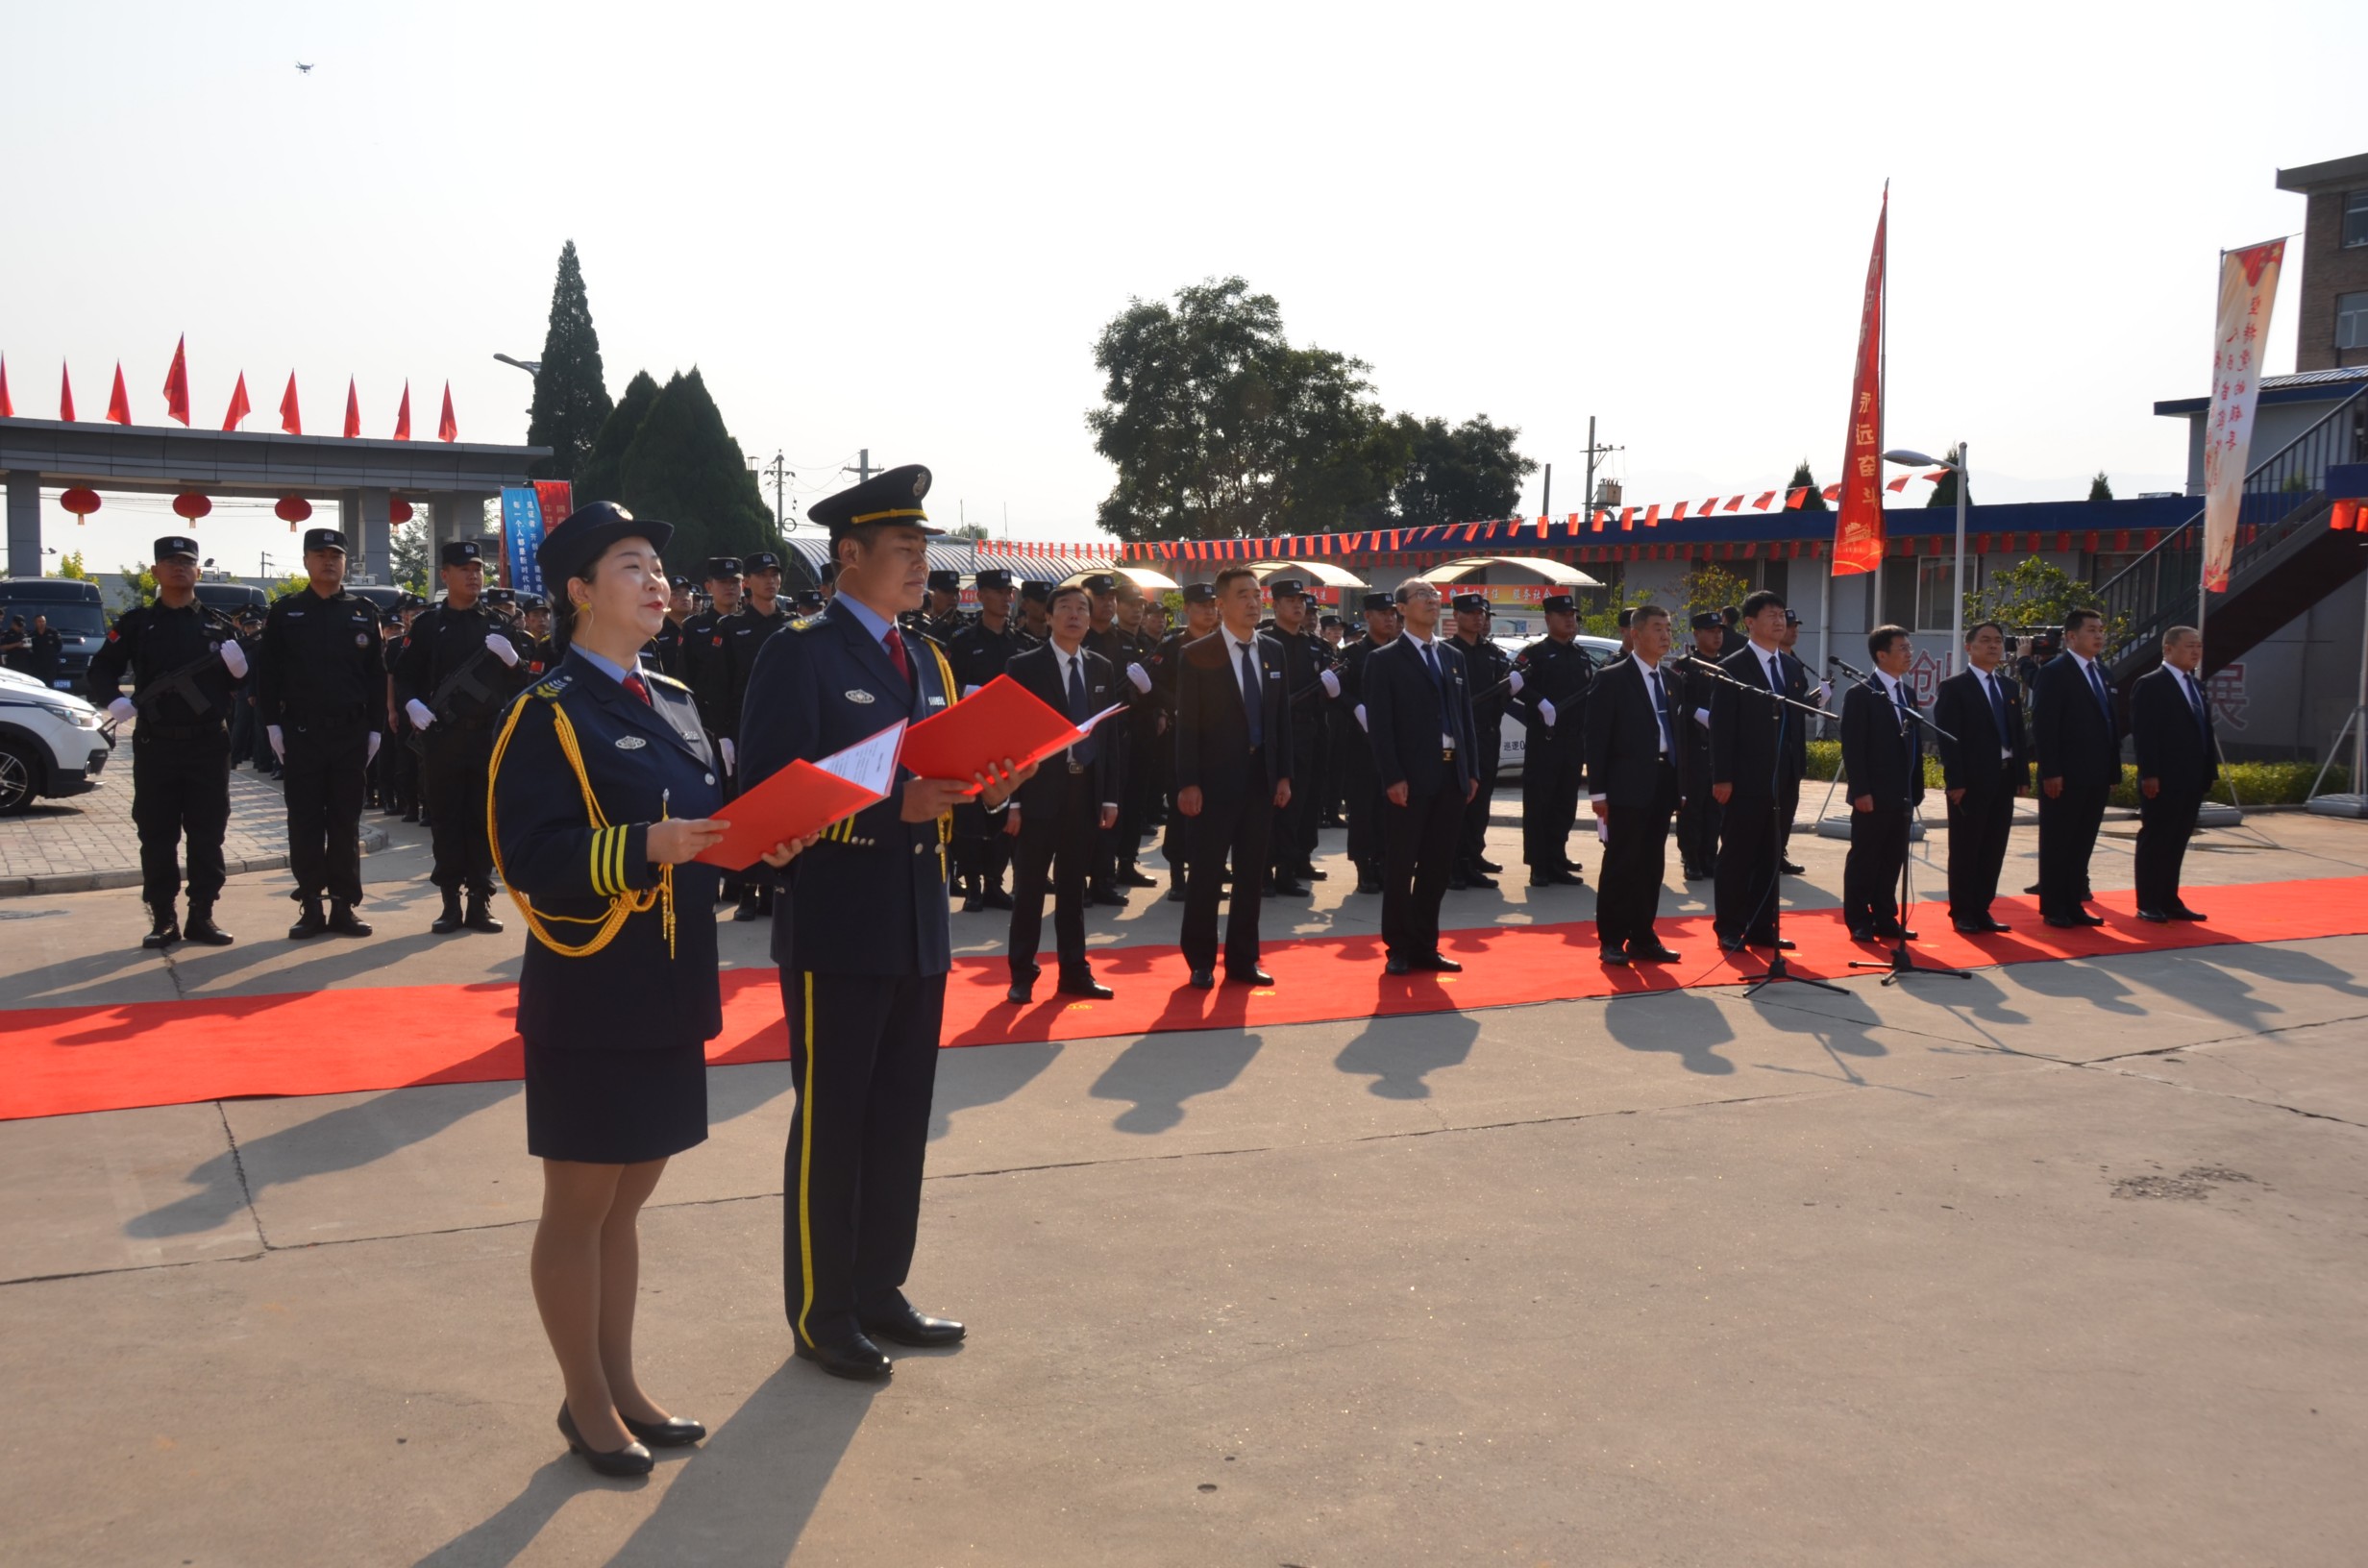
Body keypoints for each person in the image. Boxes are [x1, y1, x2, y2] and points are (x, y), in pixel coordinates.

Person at [489, 500, 807, 1477]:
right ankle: (585, 1403)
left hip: (670, 982)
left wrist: (758, 843)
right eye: (632, 566)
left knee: (625, 1206)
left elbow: (703, 826)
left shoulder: (671, 698)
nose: (657, 581)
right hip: (592, 989)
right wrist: (643, 846)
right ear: (580, 591)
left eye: (658, 569)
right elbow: (527, 857)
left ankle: (619, 1384)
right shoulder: (547, 712)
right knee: (579, 1206)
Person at [738, 463, 1032, 1383]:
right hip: (838, 919)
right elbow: (766, 797)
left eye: (921, 548)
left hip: (916, 920)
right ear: (850, 556)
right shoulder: (801, 653)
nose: (918, 563)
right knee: (834, 1124)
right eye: (903, 548)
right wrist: (887, 808)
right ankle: (822, 1313)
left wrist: (992, 788)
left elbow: (939, 779)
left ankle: (878, 1291)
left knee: (901, 1119)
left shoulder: (928, 659)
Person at [86, 535, 247, 949]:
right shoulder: (137, 624)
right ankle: (163, 917)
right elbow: (100, 669)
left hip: (208, 744)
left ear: (198, 571)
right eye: (171, 561)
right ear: (156, 571)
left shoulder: (218, 624)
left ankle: (202, 914)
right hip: (156, 744)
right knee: (157, 832)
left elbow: (243, 685)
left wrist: (241, 671)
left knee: (208, 832)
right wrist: (114, 701)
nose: (179, 568)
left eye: (187, 562)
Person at [394, 540, 530, 935]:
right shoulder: (428, 626)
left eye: (478, 569)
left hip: (486, 737)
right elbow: (404, 676)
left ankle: (480, 899)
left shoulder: (497, 624)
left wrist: (513, 660)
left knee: (483, 820)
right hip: (443, 738)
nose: (473, 576)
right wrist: (412, 705)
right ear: (445, 575)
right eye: (464, 569)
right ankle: (450, 901)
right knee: (446, 819)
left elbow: (522, 683)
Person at [256, 527, 384, 940]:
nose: (328, 561)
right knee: (305, 821)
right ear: (306, 561)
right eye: (320, 554)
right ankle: (310, 904)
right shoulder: (286, 612)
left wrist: (377, 728)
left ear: (345, 562)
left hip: (350, 733)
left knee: (346, 823)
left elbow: (376, 675)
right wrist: (271, 724)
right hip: (302, 732)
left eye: (336, 555)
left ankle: (344, 906)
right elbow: (267, 673)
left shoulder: (363, 611)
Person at [1173, 565, 1295, 989]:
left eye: (1256, 594)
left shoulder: (1273, 651)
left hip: (1260, 780)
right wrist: (1188, 781)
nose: (1253, 602)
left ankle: (1243, 959)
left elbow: (1280, 720)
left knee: (1251, 875)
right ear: (1221, 604)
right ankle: (1200, 960)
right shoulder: (1197, 653)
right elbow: (1187, 724)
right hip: (1213, 782)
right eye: (1243, 595)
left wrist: (1283, 776)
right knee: (1206, 874)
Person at [1000, 583, 1118, 1001]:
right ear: (1048, 617)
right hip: (1037, 793)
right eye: (1065, 608)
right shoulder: (1024, 666)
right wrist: (1013, 801)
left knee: (1073, 889)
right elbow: (1011, 734)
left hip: (1083, 792)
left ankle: (1074, 972)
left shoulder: (1101, 667)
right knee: (1029, 889)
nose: (1074, 615)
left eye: (1082, 608)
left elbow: (1108, 737)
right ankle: (1022, 974)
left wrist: (1109, 797)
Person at [1363, 578, 1479, 975]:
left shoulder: (1452, 656)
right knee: (1401, 864)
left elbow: (1464, 718)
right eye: (1422, 596)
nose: (1432, 601)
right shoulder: (1384, 660)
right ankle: (1398, 946)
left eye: (1434, 596)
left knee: (1437, 865)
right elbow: (1380, 726)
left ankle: (1426, 945)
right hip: (1410, 778)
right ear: (1401, 608)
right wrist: (1392, 776)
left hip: (1451, 774)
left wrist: (1471, 770)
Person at [1709, 590, 1811, 953]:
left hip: (1784, 778)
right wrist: (1722, 777)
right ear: (1750, 623)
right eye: (1771, 615)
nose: (1780, 621)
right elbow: (1722, 727)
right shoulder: (1733, 668)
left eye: (1782, 614)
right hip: (1745, 780)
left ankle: (1762, 927)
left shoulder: (1791, 667)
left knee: (1771, 856)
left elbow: (1796, 725)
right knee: (1738, 855)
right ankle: (1730, 927)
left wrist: (1797, 770)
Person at [1585, 604, 1684, 966]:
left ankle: (1643, 936)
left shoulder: (1672, 680)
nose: (1665, 635)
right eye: (1657, 628)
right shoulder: (1611, 678)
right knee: (1622, 862)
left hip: (1662, 780)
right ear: (1635, 634)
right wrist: (1598, 792)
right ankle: (1612, 938)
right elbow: (1596, 738)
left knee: (1651, 864)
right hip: (1625, 785)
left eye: (1668, 628)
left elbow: (1678, 736)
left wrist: (1681, 785)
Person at [1933, 621, 2029, 933]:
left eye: (1997, 641)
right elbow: (1948, 738)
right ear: (1969, 647)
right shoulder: (1954, 687)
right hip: (1971, 781)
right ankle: (1962, 911)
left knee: (1993, 847)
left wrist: (2022, 774)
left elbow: (2017, 734)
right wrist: (1956, 781)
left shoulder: (2008, 687)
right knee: (1966, 847)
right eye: (1985, 640)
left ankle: (1982, 908)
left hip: (2004, 777)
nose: (1993, 646)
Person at [2030, 606, 2118, 928]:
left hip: (2096, 774)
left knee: (2082, 842)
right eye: (2091, 630)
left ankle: (2074, 904)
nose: (2098, 635)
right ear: (2071, 636)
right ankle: (2054, 907)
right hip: (2064, 775)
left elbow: (2109, 724)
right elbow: (2045, 726)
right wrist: (2051, 771)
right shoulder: (2054, 672)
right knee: (2059, 841)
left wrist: (2112, 771)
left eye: (2100, 630)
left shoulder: (2103, 673)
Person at [718, 552, 795, 921]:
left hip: (787, 729)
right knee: (748, 809)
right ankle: (748, 891)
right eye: (762, 575)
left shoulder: (793, 626)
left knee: (784, 808)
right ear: (747, 582)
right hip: (745, 729)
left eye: (774, 574)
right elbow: (720, 685)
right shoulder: (732, 628)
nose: (770, 581)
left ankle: (776, 889)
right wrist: (723, 736)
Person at [1838, 625, 1925, 943]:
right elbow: (1853, 747)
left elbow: (1914, 745)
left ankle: (1886, 917)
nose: (1909, 654)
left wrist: (1916, 788)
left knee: (1892, 858)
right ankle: (1859, 919)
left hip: (1901, 794)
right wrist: (1861, 790)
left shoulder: (1908, 694)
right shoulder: (1861, 693)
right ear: (1881, 654)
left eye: (1910, 648)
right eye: (1902, 648)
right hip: (1872, 794)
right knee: (1866, 858)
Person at [947, 569, 1025, 913]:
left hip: (1007, 739)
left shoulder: (1019, 642)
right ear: (981, 596)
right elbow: (949, 687)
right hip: (971, 738)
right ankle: (973, 884)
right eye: (998, 591)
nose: (1007, 598)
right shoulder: (963, 641)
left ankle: (995, 881)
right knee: (969, 813)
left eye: (1009, 592)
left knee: (1004, 807)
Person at [2131, 625, 2216, 923]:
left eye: (2199, 646)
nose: (2196, 651)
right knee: (2157, 838)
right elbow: (2145, 734)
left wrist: (2208, 771)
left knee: (2178, 839)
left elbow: (2204, 732)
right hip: (2163, 778)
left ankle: (2169, 899)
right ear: (2168, 649)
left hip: (2192, 777)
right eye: (2189, 645)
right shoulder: (2151, 684)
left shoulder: (2196, 686)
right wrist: (2150, 774)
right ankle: (2148, 902)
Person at [1507, 593, 1591, 889]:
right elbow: (1512, 684)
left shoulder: (1580, 654)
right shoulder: (1536, 653)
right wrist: (1539, 701)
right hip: (1545, 739)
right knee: (1540, 802)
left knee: (1565, 802)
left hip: (1573, 740)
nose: (1570, 620)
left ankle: (1557, 858)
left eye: (1572, 616)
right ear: (1548, 619)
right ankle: (1538, 864)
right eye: (1563, 615)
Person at [1264, 578, 1332, 895]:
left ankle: (1292, 865)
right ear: (1275, 605)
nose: (1298, 606)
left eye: (1301, 601)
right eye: (1290, 600)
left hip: (1308, 731)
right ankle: (1264, 869)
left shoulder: (1315, 645)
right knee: (1271, 804)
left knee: (1304, 801)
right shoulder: (1263, 642)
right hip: (1273, 732)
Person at [1153, 581, 1221, 901]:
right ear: (1186, 609)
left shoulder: (1224, 644)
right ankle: (1177, 875)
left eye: (1212, 606)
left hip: (1217, 738)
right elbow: (1154, 684)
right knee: (1182, 807)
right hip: (1181, 735)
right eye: (1202, 606)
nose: (1209, 611)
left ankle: (1206, 875)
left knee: (1214, 810)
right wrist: (1177, 706)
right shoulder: (1172, 647)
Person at [1445, 593, 1512, 890]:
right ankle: (1452, 864)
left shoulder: (1493, 653)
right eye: (1471, 612)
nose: (1478, 618)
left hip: (1486, 735)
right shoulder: (1446, 652)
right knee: (1457, 802)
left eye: (1482, 613)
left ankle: (1472, 857)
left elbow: (1504, 694)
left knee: (1481, 801)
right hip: (1457, 738)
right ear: (1456, 616)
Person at [1337, 592, 1399, 894]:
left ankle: (1386, 862)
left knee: (1392, 806)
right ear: (1367, 616)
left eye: (1392, 613)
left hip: (1396, 740)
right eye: (1382, 613)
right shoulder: (1352, 654)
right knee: (1363, 806)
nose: (1390, 618)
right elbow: (1336, 692)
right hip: (1361, 742)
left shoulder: (1401, 651)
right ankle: (1364, 866)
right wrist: (1355, 707)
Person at [1673, 610, 1727, 880]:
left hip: (1719, 747)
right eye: (1711, 631)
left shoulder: (1727, 666)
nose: (1717, 636)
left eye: (1719, 631)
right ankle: (1691, 857)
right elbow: (1673, 702)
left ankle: (1709, 856)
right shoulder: (1685, 666)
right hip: (1693, 745)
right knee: (1692, 805)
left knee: (1715, 806)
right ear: (1696, 634)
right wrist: (1695, 712)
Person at [923, 570, 964, 645]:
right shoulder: (920, 628)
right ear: (931, 594)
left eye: (956, 592)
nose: (954, 598)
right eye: (947, 592)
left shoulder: (969, 629)